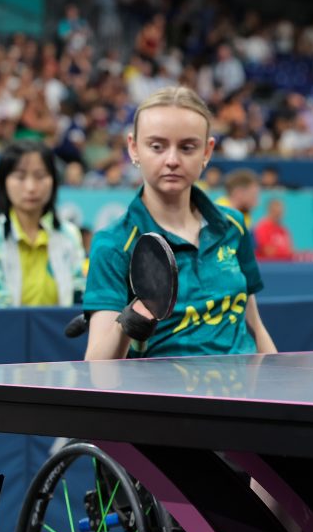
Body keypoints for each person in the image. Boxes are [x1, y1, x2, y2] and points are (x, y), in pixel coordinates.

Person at [83, 86, 276, 360]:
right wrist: (131, 322)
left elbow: (253, 325)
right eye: (157, 146)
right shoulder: (113, 243)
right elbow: (96, 366)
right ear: (133, 148)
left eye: (187, 147)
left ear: (207, 151)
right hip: (167, 399)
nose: (172, 160)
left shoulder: (233, 225)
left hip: (244, 395)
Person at [0, 140, 85, 308]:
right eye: (20, 176)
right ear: (3, 182)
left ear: (54, 181)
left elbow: (81, 292)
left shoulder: (69, 235)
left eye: (40, 176)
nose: (31, 187)